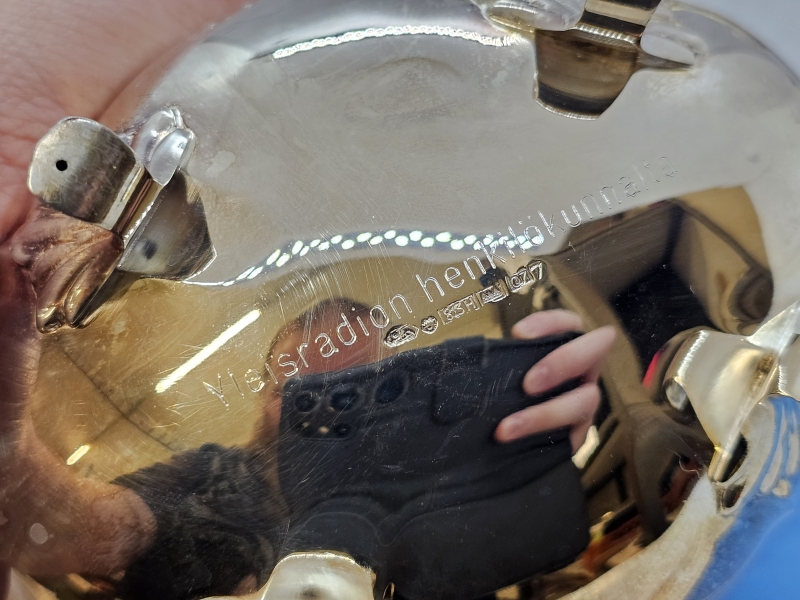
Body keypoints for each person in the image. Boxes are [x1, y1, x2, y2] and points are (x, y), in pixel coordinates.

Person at [0, 1, 616, 597]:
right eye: (304, 391)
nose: (327, 418)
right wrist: (6, 439)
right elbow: (92, 530)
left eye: (360, 388)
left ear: (398, 382)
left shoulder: (439, 469)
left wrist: (532, 478)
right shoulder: (215, 477)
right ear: (267, 394)